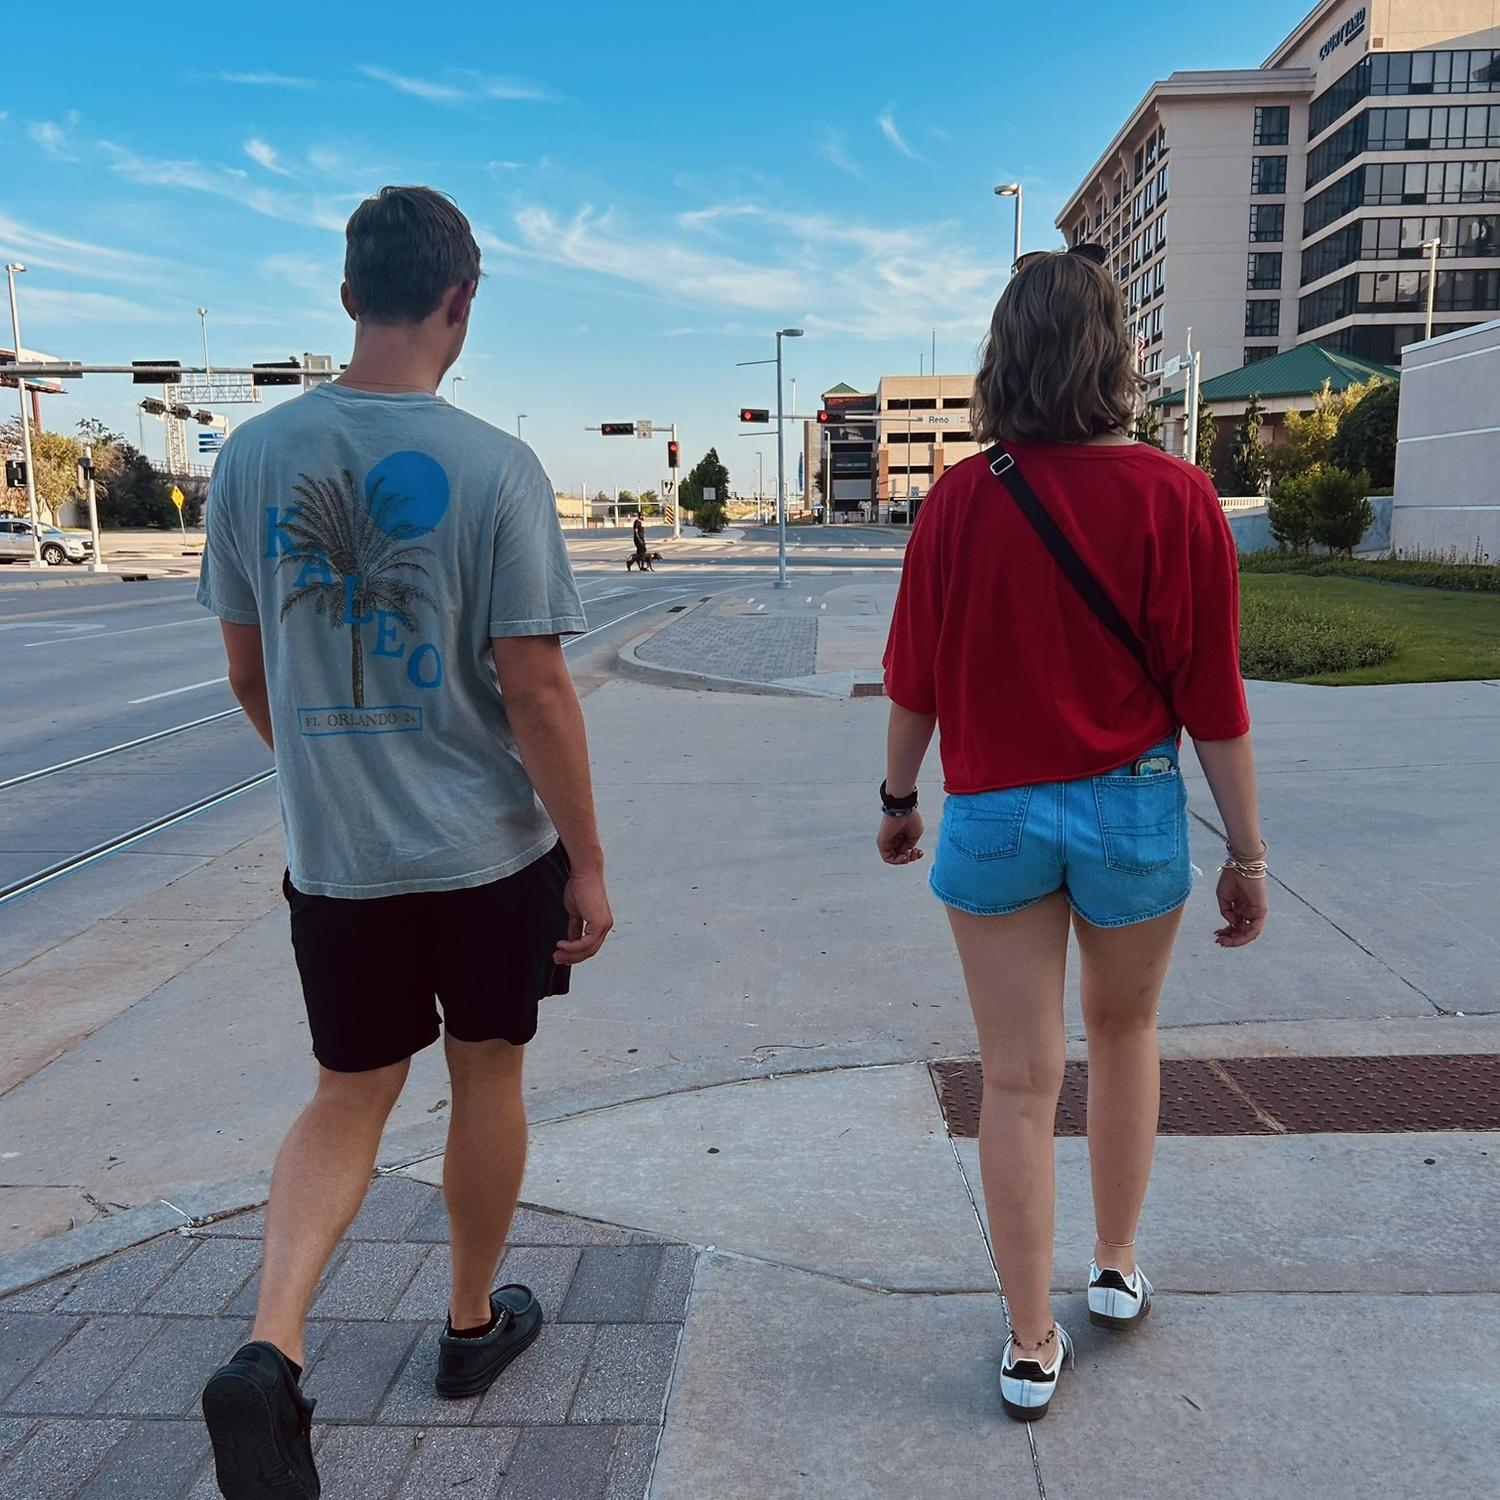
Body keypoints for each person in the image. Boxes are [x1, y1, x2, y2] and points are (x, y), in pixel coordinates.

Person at [196, 185, 613, 1497]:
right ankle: (471, 1328)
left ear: (344, 297)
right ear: (461, 302)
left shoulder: (256, 458)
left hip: (339, 862)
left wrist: (332, 774)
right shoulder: (497, 467)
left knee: (348, 1092)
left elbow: (250, 672)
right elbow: (535, 687)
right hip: (486, 854)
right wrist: (588, 862)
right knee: (486, 1075)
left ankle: (271, 1350)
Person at [878, 245, 1267, 1423]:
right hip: (1134, 801)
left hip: (994, 811)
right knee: (1127, 1031)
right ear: (1115, 354)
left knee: (1013, 1079)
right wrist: (1247, 854)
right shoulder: (1176, 495)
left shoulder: (959, 496)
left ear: (1008, 355)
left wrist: (900, 800)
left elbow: (915, 674)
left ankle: (1029, 1340)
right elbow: (1215, 697)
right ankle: (1113, 1268)